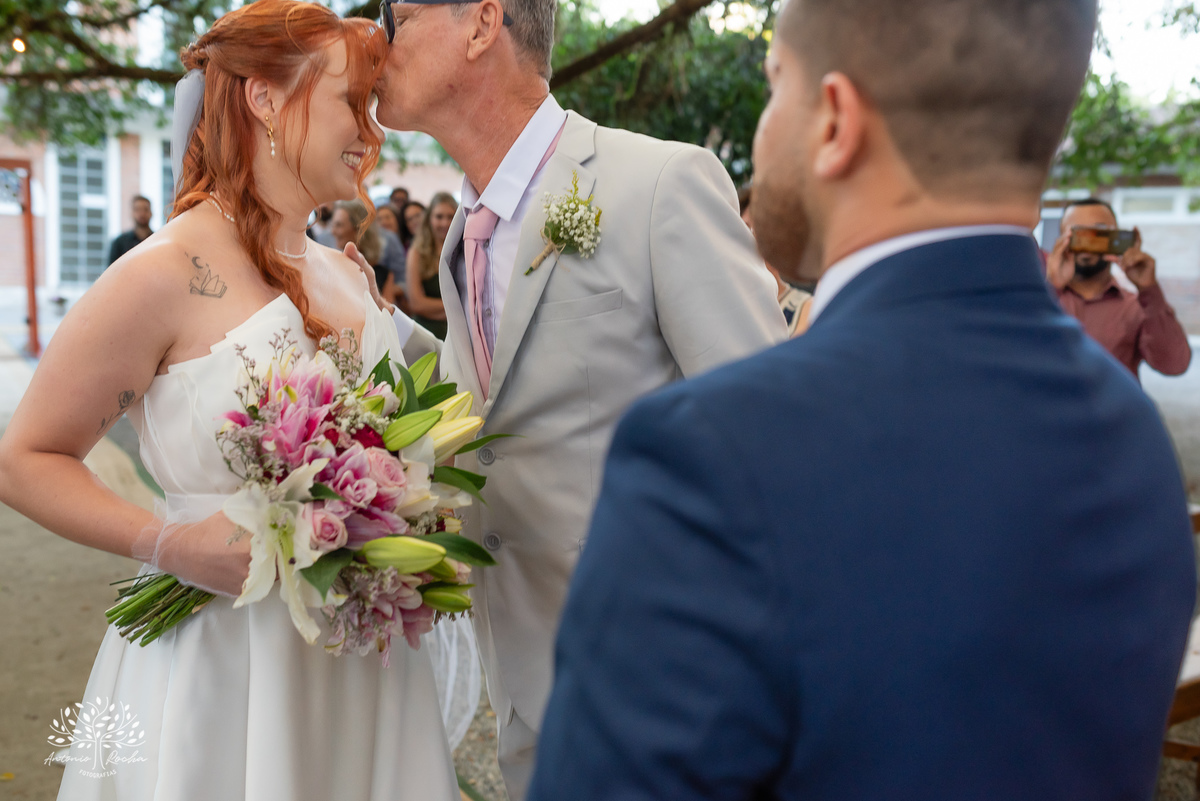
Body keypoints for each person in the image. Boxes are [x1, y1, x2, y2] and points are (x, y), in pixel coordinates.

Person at [530, 0, 1196, 798]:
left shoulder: (715, 453)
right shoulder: (1135, 442)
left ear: (837, 121)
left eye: (776, 87)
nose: (762, 135)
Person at [0, 3, 459, 798]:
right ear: (265, 98)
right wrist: (165, 543)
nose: (372, 129)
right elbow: (24, 458)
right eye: (352, 100)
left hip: (361, 671)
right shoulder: (163, 272)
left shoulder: (346, 274)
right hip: (221, 667)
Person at [371, 0, 786, 795]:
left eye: (397, 13)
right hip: (525, 684)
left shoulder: (658, 182)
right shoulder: (465, 233)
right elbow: (494, 405)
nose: (377, 37)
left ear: (482, 23)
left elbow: (770, 442)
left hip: (666, 691)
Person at [1046, 197, 1191, 379]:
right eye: (1077, 232)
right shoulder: (1044, 299)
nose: (1088, 241)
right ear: (1061, 239)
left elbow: (1174, 365)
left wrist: (1149, 289)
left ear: (1116, 237)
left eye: (1099, 232)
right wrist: (1051, 288)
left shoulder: (1138, 307)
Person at [740, 183, 812, 335]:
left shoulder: (806, 307)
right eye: (745, 227)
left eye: (759, 226)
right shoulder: (731, 304)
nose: (752, 236)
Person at [331, 198, 404, 308]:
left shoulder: (385, 274)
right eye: (334, 225)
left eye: (339, 225)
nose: (333, 231)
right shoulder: (332, 268)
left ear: (358, 229)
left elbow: (387, 317)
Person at [405, 192, 455, 340]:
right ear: (429, 219)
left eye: (450, 217)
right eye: (439, 217)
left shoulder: (465, 251)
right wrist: (457, 308)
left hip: (457, 334)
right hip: (426, 334)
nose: (445, 223)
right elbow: (416, 303)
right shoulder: (417, 252)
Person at [107, 195, 154, 265]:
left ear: (151, 213)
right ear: (132, 213)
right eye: (137, 209)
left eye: (145, 209)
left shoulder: (157, 240)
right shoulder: (119, 243)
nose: (142, 214)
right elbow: (110, 272)